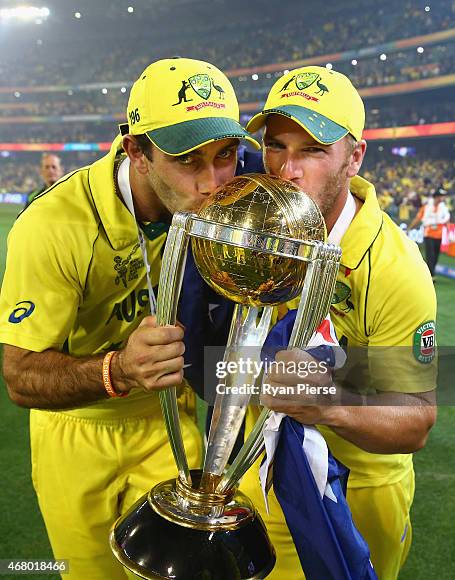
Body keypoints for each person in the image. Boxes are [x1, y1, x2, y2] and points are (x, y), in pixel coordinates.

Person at [0, 57, 259, 580]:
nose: (213, 183)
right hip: (78, 430)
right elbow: (19, 374)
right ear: (136, 151)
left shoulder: (232, 201)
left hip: (170, 413)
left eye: (226, 155)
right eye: (188, 160)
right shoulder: (52, 224)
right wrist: (117, 370)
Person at [240, 65, 437, 579]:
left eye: (311, 151)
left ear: (355, 157)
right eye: (277, 146)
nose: (286, 170)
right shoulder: (258, 228)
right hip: (261, 464)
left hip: (356, 489)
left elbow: (416, 419)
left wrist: (327, 404)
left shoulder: (396, 270)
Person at [409, 188, 450, 281]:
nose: (442, 199)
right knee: (430, 255)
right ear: (436, 197)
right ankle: (431, 275)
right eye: (440, 196)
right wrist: (410, 227)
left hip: (439, 235)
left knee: (436, 255)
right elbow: (418, 218)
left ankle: (431, 272)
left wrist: (447, 231)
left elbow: (446, 219)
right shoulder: (426, 207)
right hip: (429, 234)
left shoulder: (443, 208)